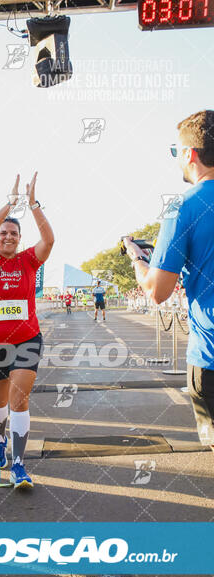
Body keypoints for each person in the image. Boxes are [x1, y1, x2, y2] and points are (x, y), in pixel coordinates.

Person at [123, 109, 214, 453]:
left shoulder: (182, 208)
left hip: (210, 358)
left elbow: (157, 291)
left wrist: (137, 259)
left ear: (190, 155)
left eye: (176, 152)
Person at [0, 172, 54, 489]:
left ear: (20, 239)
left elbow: (48, 240)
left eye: (13, 233)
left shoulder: (28, 261)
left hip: (26, 342)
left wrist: (32, 204)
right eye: (3, 233)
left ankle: (19, 465)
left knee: (19, 401)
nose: (8, 236)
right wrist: (9, 203)